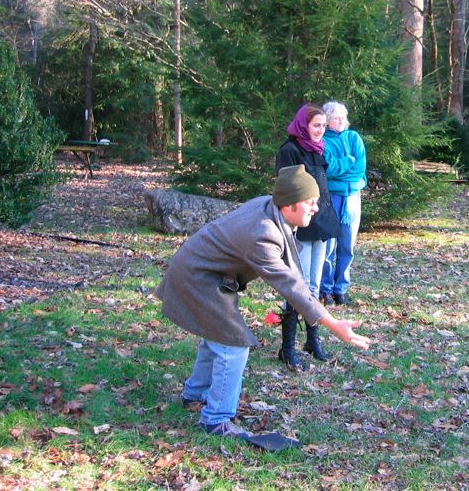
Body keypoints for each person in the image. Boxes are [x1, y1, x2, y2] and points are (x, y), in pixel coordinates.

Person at [155, 165, 371, 437]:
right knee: (233, 344)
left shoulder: (269, 205)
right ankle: (216, 419)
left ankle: (195, 393)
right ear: (290, 205)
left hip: (206, 274)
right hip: (197, 278)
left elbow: (291, 271)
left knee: (217, 338)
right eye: (310, 203)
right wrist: (333, 323)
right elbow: (290, 285)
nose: (316, 208)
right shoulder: (262, 234)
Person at [275, 104, 342, 369]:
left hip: (321, 223)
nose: (320, 130)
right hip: (300, 225)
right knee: (296, 286)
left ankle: (311, 340)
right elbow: (286, 190)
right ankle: (287, 347)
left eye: (324, 126)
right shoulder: (289, 150)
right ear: (304, 124)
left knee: (313, 286)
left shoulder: (319, 148)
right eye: (316, 125)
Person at [320, 101, 367, 307]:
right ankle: (326, 289)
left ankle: (341, 289)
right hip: (332, 198)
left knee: (347, 246)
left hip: (352, 199)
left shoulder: (354, 137)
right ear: (327, 120)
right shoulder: (323, 141)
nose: (340, 121)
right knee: (329, 246)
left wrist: (343, 168)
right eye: (336, 117)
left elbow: (360, 167)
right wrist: (347, 161)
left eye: (342, 117)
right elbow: (328, 170)